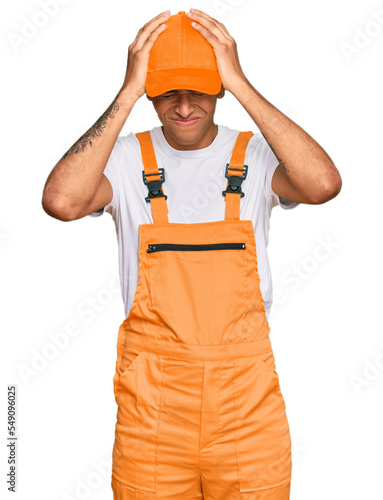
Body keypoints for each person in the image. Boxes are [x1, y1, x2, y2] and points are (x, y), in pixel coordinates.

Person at [42, 8, 342, 500]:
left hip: (247, 411)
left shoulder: (258, 157)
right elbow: (61, 202)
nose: (183, 106)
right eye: (167, 91)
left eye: (199, 89)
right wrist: (126, 92)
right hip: (153, 413)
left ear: (220, 87)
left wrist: (241, 83)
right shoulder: (122, 160)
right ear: (150, 92)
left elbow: (323, 184)